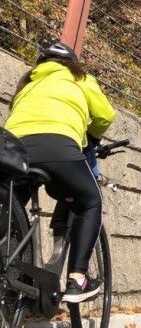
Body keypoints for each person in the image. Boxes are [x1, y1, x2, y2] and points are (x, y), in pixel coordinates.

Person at [4, 40, 116, 303]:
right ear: (71, 63)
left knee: (11, 212)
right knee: (90, 201)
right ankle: (78, 279)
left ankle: (13, 273)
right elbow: (105, 116)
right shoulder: (80, 78)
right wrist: (90, 136)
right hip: (59, 147)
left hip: (13, 148)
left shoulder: (27, 84)